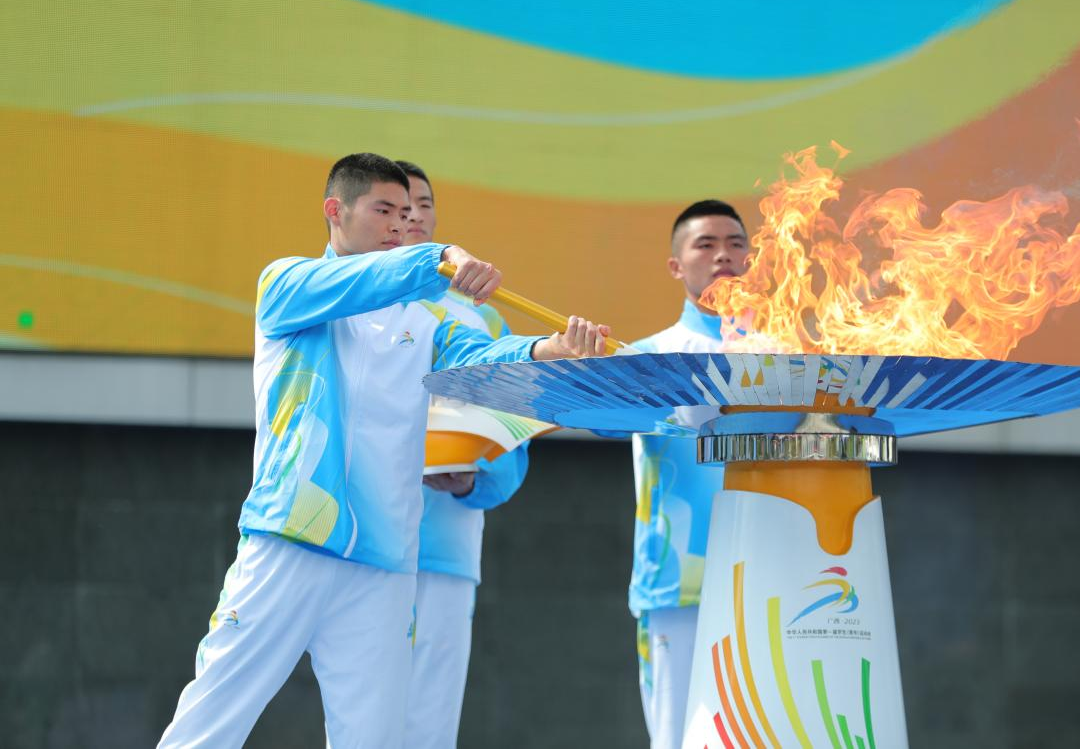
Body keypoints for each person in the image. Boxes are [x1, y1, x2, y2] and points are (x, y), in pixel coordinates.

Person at [159, 153, 609, 748]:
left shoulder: (425, 323)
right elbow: (369, 278)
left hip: (384, 562)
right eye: (384, 211)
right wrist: (439, 257)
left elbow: (482, 361)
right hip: (292, 539)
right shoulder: (288, 287)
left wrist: (551, 350)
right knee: (213, 718)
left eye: (408, 214)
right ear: (334, 211)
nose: (400, 224)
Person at [393, 160, 528, 748]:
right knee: (356, 714)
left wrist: (474, 481)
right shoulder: (349, 304)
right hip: (359, 542)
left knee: (429, 722)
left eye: (422, 204)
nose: (412, 216)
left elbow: (508, 442)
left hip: (444, 549)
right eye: (396, 207)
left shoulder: (483, 318)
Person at [629, 200, 751, 749]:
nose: (723, 256)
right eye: (706, 244)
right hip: (682, 580)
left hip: (768, 578)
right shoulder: (647, 356)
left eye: (735, 244)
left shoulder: (789, 356)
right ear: (676, 265)